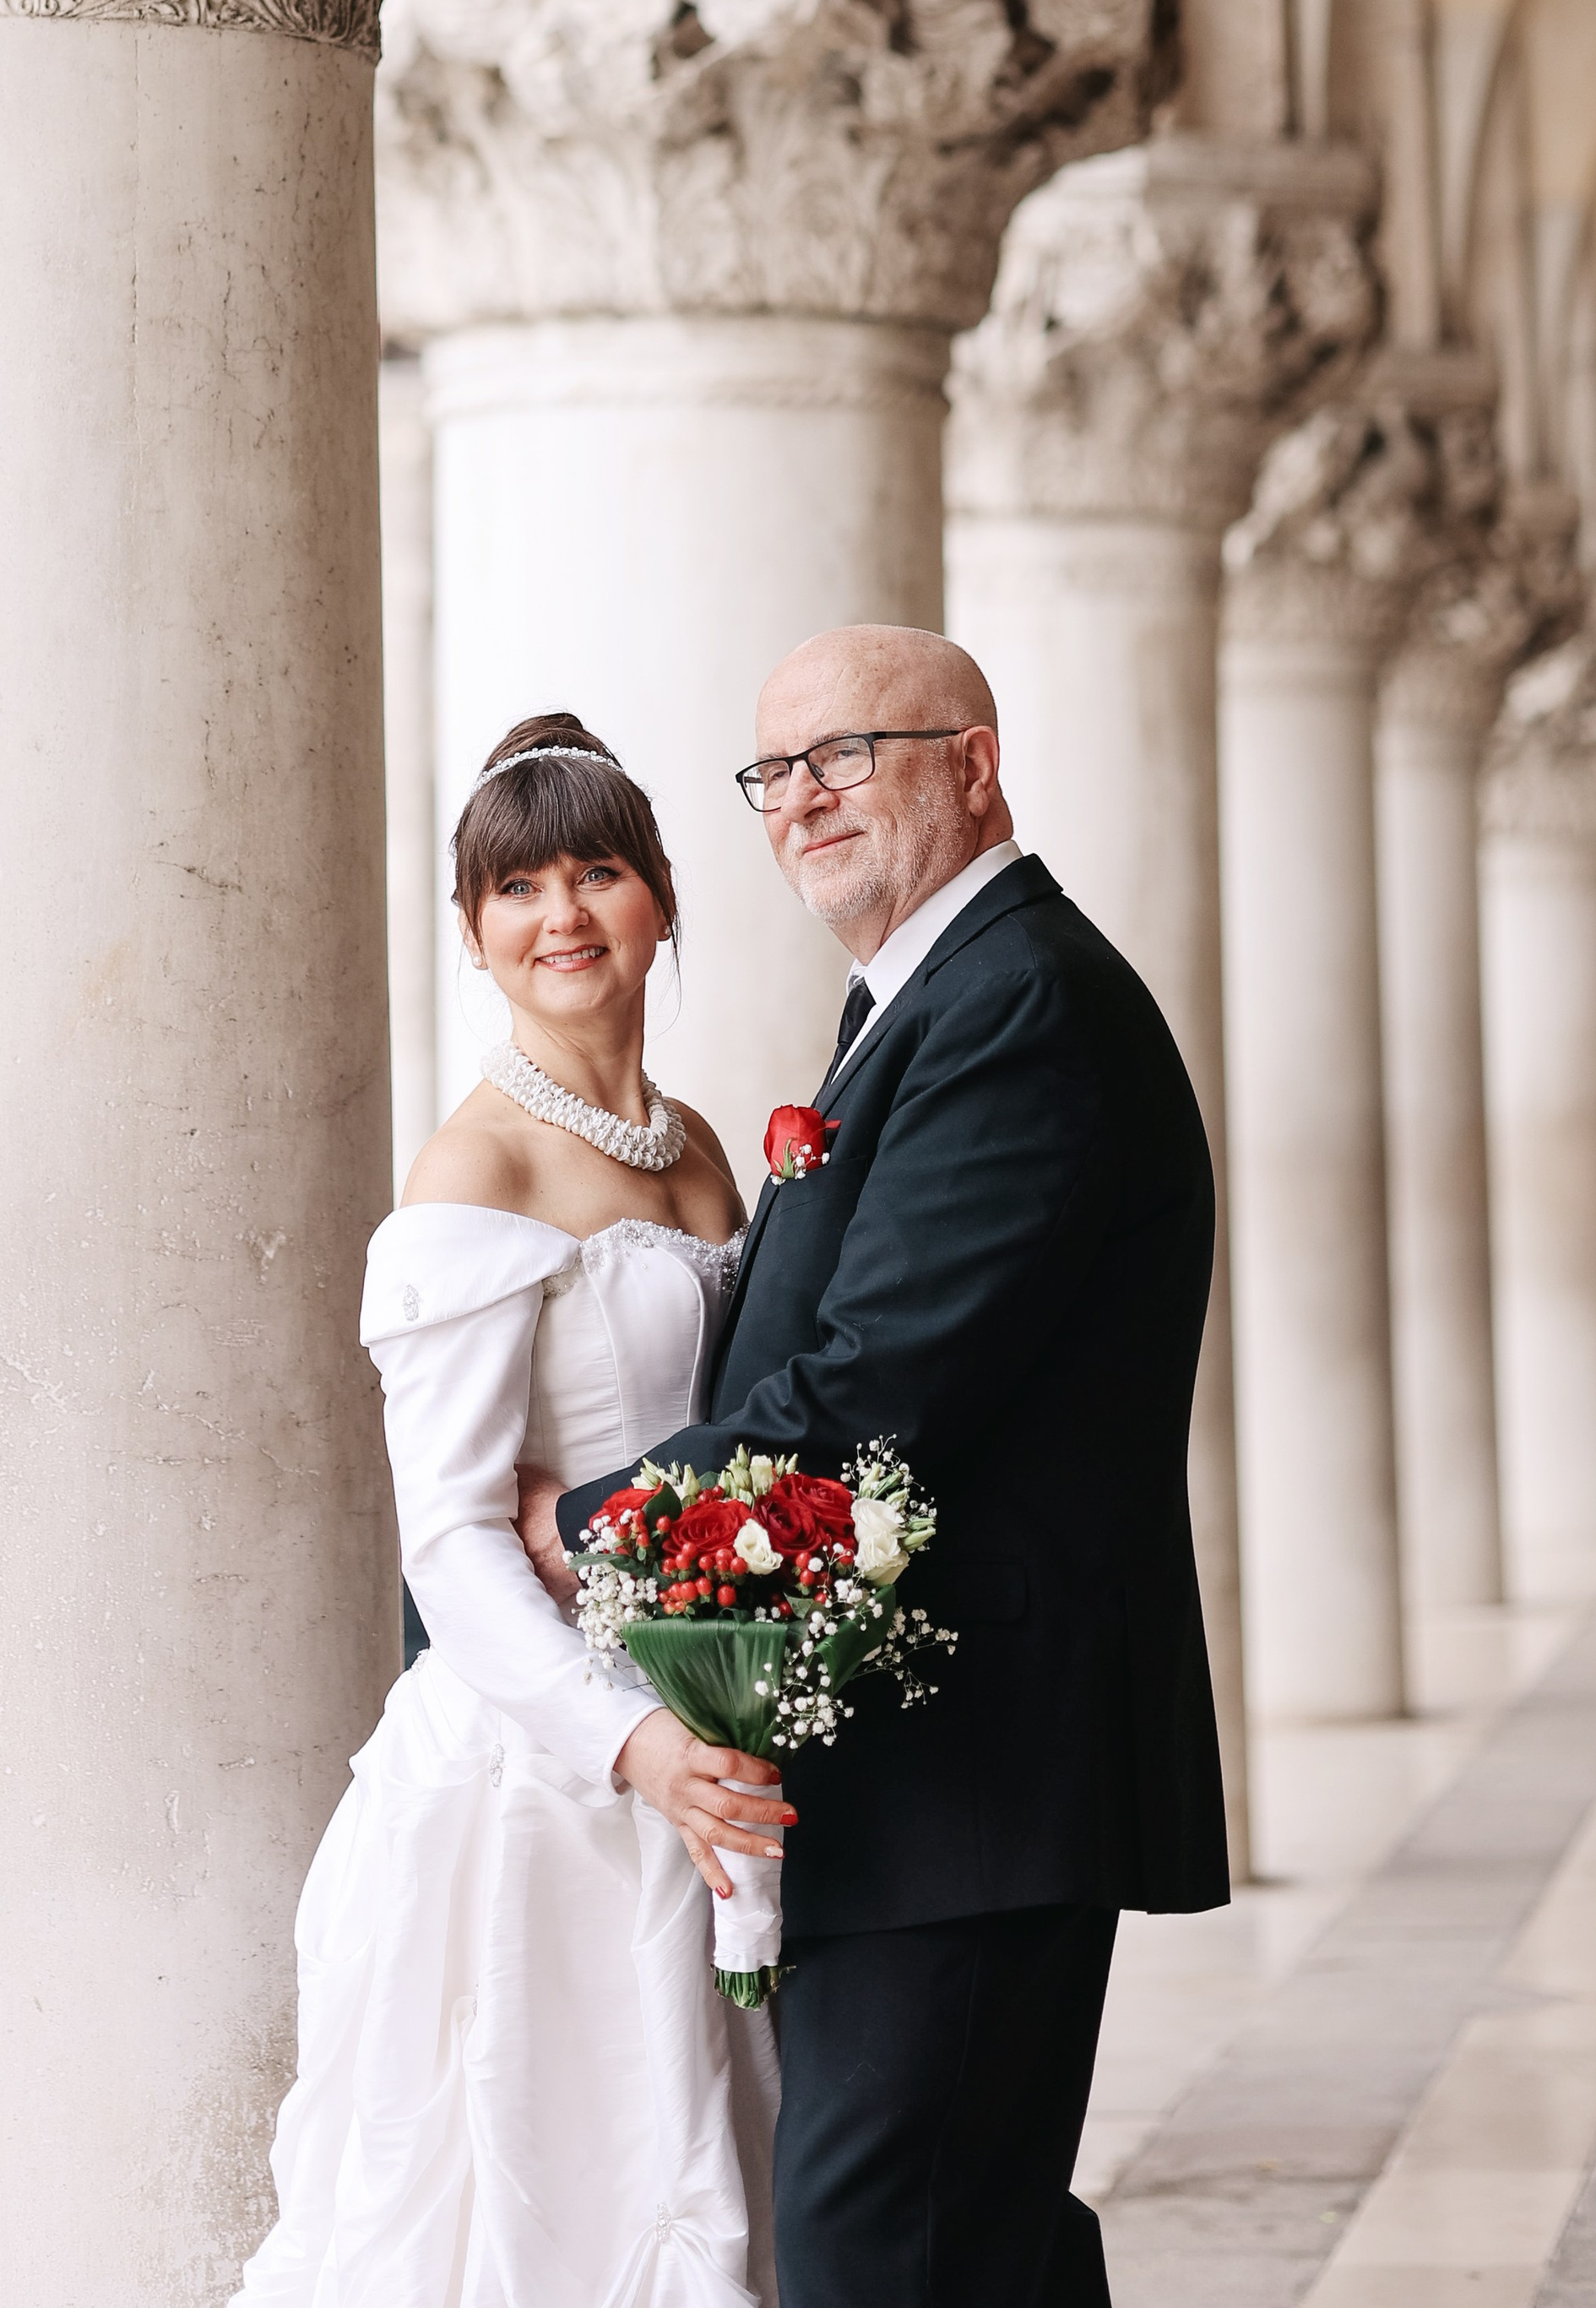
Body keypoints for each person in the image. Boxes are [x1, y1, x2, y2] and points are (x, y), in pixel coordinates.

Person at [520, 625, 1230, 2307]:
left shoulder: (1020, 1005)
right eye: (773, 773)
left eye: (846, 754)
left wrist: (579, 1537)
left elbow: (868, 1401)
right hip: (923, 1777)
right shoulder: (935, 999)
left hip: (975, 1771)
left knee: (876, 2255)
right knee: (962, 2249)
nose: (799, 801)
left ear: (970, 766)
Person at [238, 714, 781, 2308]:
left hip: (717, 1699)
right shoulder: (473, 1174)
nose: (565, 915)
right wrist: (638, 1744)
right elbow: (454, 1541)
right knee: (554, 2197)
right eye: (520, 886)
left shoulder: (693, 1150)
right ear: (473, 932)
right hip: (552, 1770)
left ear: (661, 900)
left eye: (599, 871)